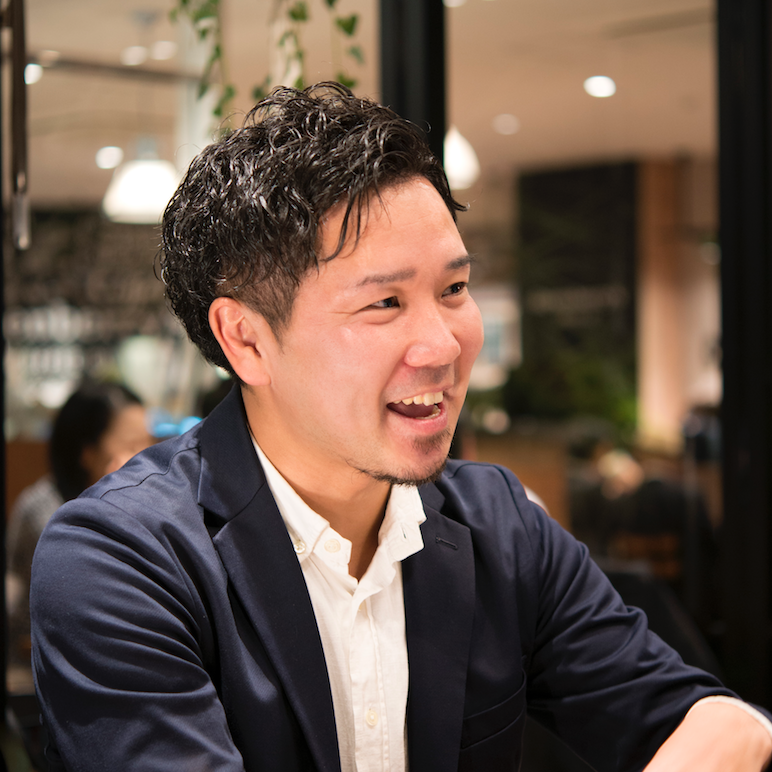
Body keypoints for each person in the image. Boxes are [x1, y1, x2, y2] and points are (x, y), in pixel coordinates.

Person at [30, 84, 772, 772]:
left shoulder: (499, 527)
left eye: (454, 288)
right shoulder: (121, 560)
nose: (444, 346)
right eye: (384, 304)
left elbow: (718, 724)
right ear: (247, 340)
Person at [6, 380, 151, 685]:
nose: (145, 458)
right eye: (130, 446)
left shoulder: (129, 503)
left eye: (147, 443)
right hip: (41, 673)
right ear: (87, 452)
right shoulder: (47, 514)